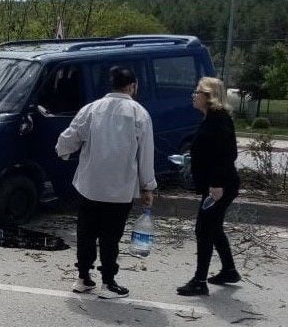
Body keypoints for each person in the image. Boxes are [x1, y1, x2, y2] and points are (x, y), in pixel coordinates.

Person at [56, 66, 156, 299]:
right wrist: (147, 186)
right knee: (111, 237)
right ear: (132, 86)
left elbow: (70, 137)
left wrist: (62, 151)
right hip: (119, 189)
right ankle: (108, 282)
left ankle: (83, 277)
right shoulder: (139, 113)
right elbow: (145, 154)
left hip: (89, 185)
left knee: (86, 233)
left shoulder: (91, 109)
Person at [177, 77, 241, 296]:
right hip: (218, 184)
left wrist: (216, 184)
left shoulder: (217, 121)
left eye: (198, 92)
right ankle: (229, 271)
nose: (194, 95)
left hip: (220, 186)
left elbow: (227, 155)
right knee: (213, 228)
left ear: (208, 96)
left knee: (204, 230)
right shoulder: (211, 119)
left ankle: (199, 281)